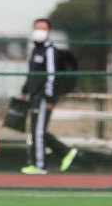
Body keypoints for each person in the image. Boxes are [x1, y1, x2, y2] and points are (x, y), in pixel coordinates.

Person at [19, 18, 78, 174]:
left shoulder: (50, 51)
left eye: (43, 28)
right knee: (36, 131)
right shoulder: (35, 50)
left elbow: (52, 75)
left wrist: (50, 98)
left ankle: (40, 165)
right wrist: (24, 91)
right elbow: (31, 74)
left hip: (44, 97)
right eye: (37, 28)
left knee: (38, 131)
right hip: (34, 96)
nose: (39, 31)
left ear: (49, 31)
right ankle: (65, 152)